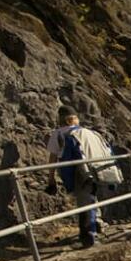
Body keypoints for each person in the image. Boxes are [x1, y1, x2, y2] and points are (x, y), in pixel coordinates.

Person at [46, 106, 111, 248]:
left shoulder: (58, 134)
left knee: (84, 203)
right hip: (93, 169)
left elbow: (53, 157)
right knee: (90, 198)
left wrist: (51, 179)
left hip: (73, 172)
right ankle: (95, 228)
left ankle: (88, 236)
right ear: (74, 118)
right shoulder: (86, 132)